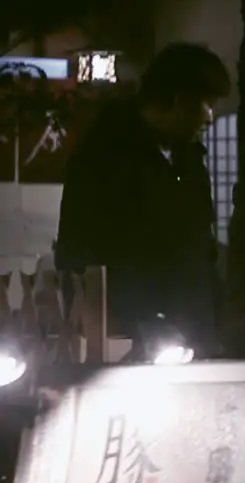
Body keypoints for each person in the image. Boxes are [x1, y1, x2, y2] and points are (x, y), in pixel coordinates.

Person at [56, 43, 230, 355]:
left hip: (190, 328)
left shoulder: (187, 156)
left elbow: (199, 239)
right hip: (128, 334)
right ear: (180, 102)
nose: (210, 117)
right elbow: (83, 251)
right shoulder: (104, 155)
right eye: (207, 104)